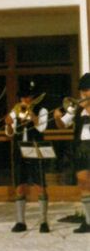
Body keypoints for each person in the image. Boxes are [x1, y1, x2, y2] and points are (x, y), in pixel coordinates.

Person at [5, 82, 50, 233]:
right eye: (22, 97)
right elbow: (9, 133)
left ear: (32, 98)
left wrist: (33, 116)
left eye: (27, 97)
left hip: (35, 148)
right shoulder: (15, 110)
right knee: (20, 185)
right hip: (19, 150)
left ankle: (43, 221)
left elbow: (42, 127)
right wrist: (9, 124)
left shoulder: (42, 110)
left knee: (40, 185)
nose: (24, 100)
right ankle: (20, 222)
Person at [56, 73, 90, 233]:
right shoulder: (77, 107)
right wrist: (57, 118)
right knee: (83, 181)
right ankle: (88, 221)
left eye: (87, 90)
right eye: (83, 90)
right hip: (81, 149)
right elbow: (63, 125)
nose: (84, 94)